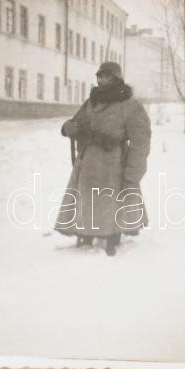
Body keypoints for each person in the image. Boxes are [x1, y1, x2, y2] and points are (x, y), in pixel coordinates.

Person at [55, 61, 152, 256]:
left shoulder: (130, 105)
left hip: (113, 165)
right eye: (99, 76)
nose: (101, 80)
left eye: (106, 76)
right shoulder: (93, 101)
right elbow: (78, 121)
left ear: (116, 79)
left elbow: (141, 141)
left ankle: (111, 237)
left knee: (110, 203)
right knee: (87, 200)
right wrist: (69, 127)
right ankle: (85, 233)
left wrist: (134, 171)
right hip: (89, 163)